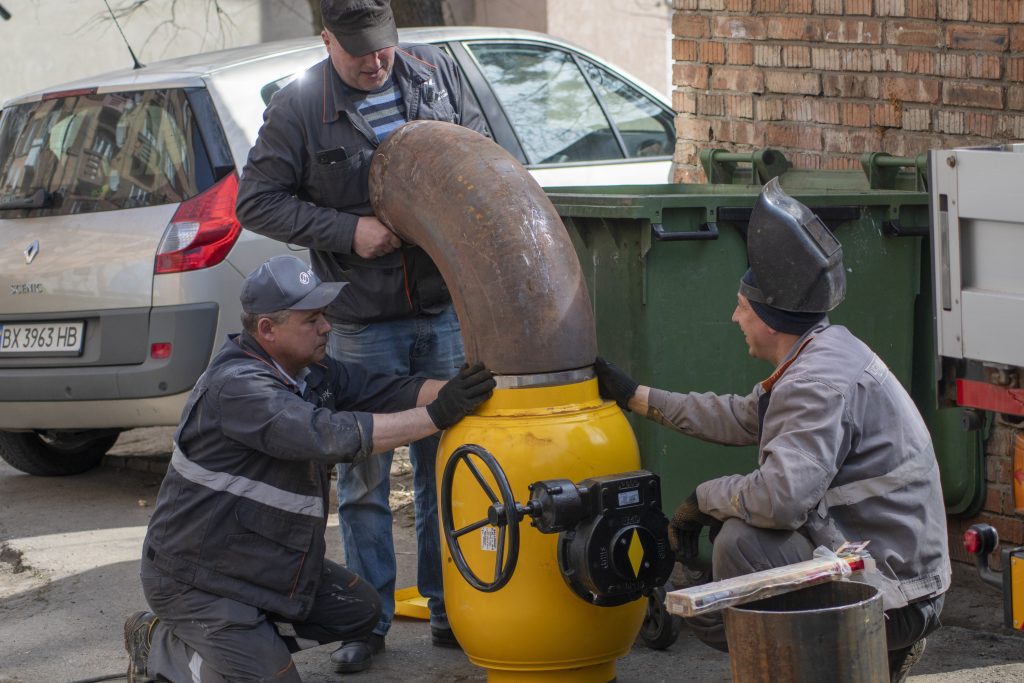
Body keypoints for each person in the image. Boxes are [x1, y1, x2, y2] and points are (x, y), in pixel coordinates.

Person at [594, 178, 949, 683]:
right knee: (744, 535)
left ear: (769, 321)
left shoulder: (815, 385)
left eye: (743, 307)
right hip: (897, 568)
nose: (735, 316)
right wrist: (636, 396)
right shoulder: (822, 351)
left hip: (898, 593)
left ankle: (829, 663)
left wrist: (705, 496)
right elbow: (741, 416)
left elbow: (782, 500)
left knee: (740, 543)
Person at [235, 0, 489, 670]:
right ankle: (368, 621)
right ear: (326, 41)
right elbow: (256, 199)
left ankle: (450, 608)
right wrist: (350, 232)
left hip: (441, 307)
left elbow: (481, 157)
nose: (377, 64)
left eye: (384, 49)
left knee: (448, 467)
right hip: (357, 320)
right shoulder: (298, 107)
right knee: (364, 477)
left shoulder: (432, 75)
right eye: (360, 55)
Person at [123, 255, 495, 682]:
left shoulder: (306, 371)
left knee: (360, 611)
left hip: (260, 564)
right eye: (313, 319)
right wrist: (437, 417)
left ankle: (242, 644)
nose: (327, 327)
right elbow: (328, 434)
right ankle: (163, 647)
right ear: (268, 329)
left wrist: (467, 389)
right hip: (201, 580)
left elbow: (382, 389)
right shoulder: (240, 389)